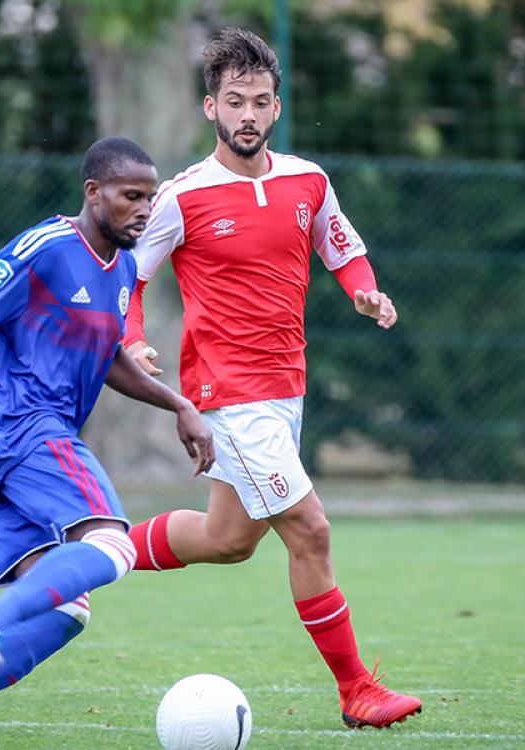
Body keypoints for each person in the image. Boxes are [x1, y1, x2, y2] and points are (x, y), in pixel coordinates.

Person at [0, 136, 214, 750]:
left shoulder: (122, 268)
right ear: (94, 192)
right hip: (25, 427)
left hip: (7, 446)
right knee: (112, 543)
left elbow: (109, 357)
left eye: (150, 198)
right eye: (131, 196)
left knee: (65, 613)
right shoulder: (47, 247)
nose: (143, 209)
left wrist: (179, 404)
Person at [123, 29, 422, 729]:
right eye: (235, 101)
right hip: (227, 393)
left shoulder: (307, 181)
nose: (248, 114)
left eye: (260, 101)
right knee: (310, 531)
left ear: (277, 106)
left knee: (227, 539)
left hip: (286, 388)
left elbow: (341, 248)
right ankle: (356, 690)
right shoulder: (182, 197)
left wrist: (365, 291)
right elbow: (128, 279)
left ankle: (84, 552)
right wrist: (132, 340)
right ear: (211, 108)